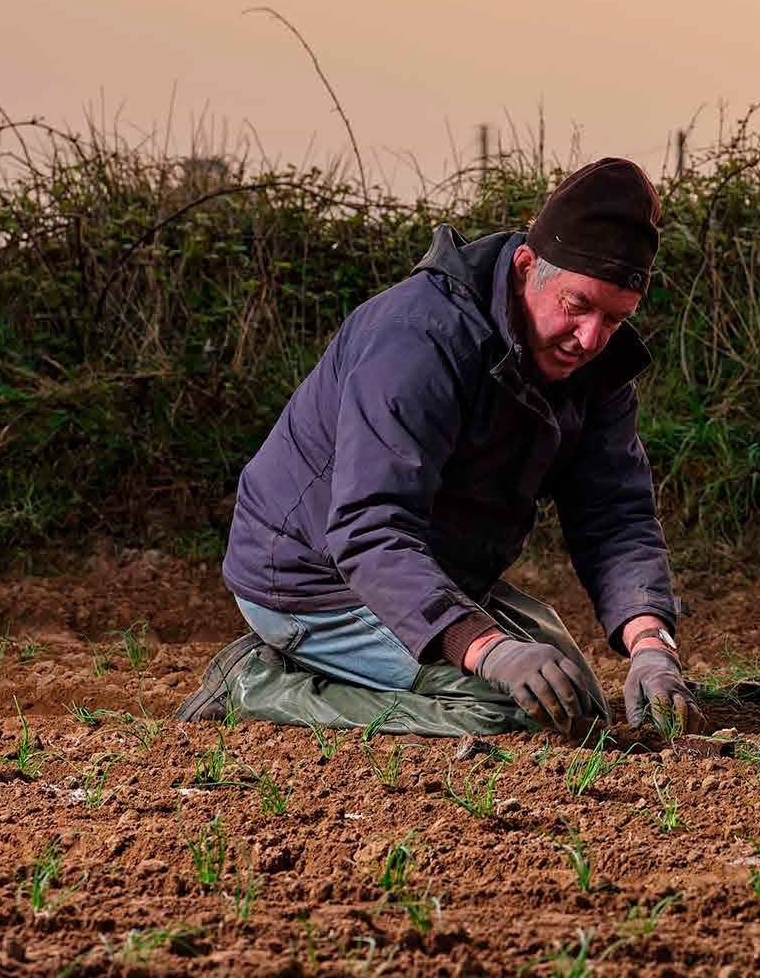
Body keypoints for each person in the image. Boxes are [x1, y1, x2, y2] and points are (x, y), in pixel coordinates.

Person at [175, 157, 700, 738]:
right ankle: (258, 683)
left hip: (431, 567)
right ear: (527, 265)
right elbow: (368, 528)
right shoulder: (419, 337)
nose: (590, 339)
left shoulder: (596, 367)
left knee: (578, 701)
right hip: (313, 579)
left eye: (615, 319)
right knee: (515, 714)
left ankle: (394, 659)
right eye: (577, 307)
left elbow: (615, 516)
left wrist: (652, 644)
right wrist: (488, 649)